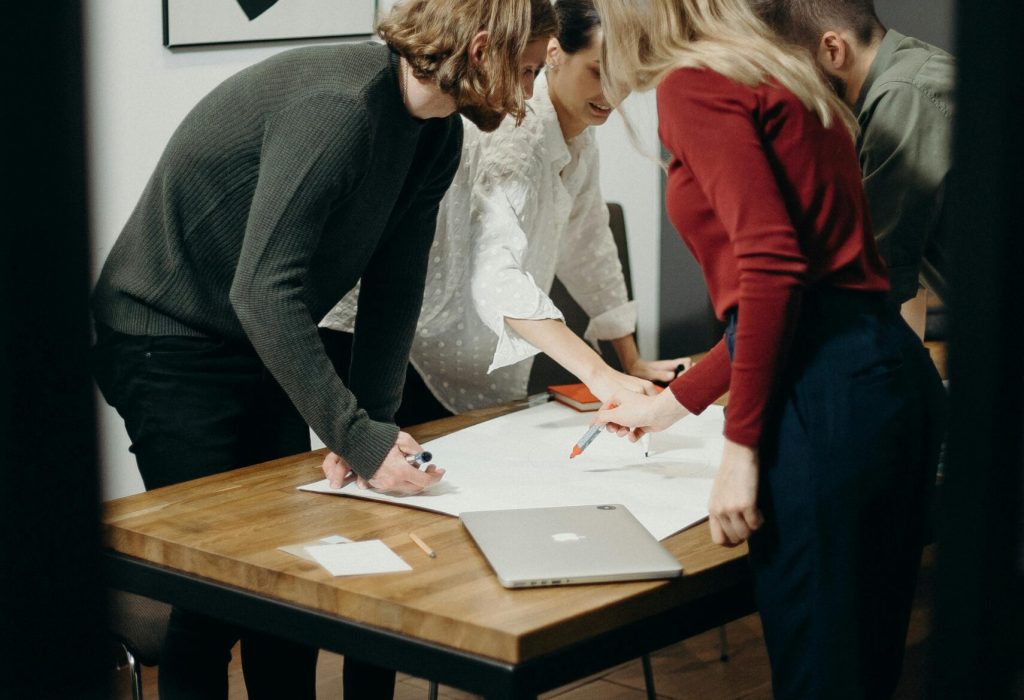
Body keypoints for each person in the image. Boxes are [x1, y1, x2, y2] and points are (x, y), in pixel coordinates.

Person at [90, 0, 559, 698]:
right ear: (482, 49)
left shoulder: (437, 137)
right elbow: (262, 290)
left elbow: (394, 287)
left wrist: (372, 426)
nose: (528, 94)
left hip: (254, 336)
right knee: (214, 590)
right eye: (526, 71)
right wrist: (355, 435)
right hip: (165, 336)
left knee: (289, 580)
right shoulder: (340, 111)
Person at [590, 0, 946, 697]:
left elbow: (773, 270)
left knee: (820, 675)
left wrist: (740, 451)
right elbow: (806, 293)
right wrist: (673, 405)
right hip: (884, 376)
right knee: (863, 671)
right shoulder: (777, 67)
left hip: (825, 397)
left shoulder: (693, 83)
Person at [319, 0, 687, 465]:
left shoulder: (579, 132)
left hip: (446, 334)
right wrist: (600, 374)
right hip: (392, 335)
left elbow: (589, 244)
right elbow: (495, 277)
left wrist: (629, 359)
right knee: (399, 481)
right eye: (597, 72)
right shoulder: (516, 131)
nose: (612, 93)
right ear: (554, 54)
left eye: (624, 76)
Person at [751, 0, 955, 338]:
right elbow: (905, 266)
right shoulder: (907, 73)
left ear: (833, 49)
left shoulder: (901, 98)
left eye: (791, 68)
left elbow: (876, 274)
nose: (787, 88)